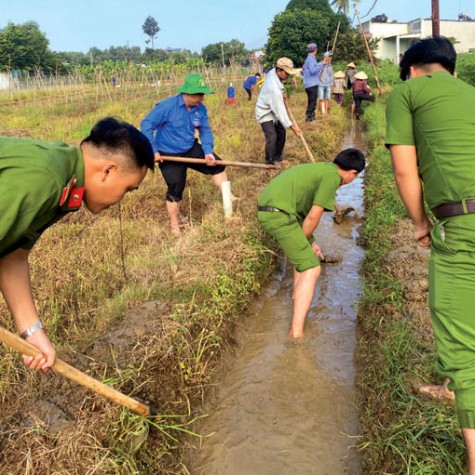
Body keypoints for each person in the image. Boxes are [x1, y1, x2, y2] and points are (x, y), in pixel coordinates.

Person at [0, 117, 155, 371]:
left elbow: (12, 257)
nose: (121, 199)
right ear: (108, 170)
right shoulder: (47, 177)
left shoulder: (65, 182)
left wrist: (33, 331)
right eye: (128, 189)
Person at [385, 36, 475, 473]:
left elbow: (404, 167)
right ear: (452, 70)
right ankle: (450, 386)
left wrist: (420, 223)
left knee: (460, 333)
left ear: (413, 70)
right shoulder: (471, 94)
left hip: (463, 224)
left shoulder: (406, 93)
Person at [257, 148, 365, 337]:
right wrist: (304, 241)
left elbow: (302, 213)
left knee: (306, 257)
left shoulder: (324, 169)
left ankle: (296, 298)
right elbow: (314, 216)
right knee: (312, 268)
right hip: (277, 214)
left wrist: (310, 241)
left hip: (275, 208)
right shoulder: (333, 178)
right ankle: (296, 333)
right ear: (353, 173)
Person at [141, 73, 231, 235]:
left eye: (203, 94)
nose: (202, 98)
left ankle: (228, 201)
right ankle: (175, 226)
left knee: (218, 165)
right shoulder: (166, 107)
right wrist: (153, 151)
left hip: (190, 149)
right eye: (199, 95)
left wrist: (208, 152)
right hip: (168, 154)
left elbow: (205, 130)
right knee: (176, 188)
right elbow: (146, 125)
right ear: (188, 93)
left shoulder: (200, 109)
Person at [255, 57, 302, 165]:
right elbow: (281, 112)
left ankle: (278, 157)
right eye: (287, 73)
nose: (288, 76)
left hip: (272, 107)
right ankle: (270, 162)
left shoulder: (273, 72)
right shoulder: (273, 89)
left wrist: (282, 93)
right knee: (272, 136)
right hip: (264, 112)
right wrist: (293, 127)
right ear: (279, 70)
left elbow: (279, 87)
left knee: (281, 132)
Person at [302, 42, 324, 122]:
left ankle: (312, 117)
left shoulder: (310, 59)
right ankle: (309, 117)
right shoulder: (311, 59)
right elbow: (313, 70)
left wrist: (322, 63)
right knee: (313, 102)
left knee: (311, 101)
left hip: (309, 84)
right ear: (315, 50)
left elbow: (314, 67)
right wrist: (322, 64)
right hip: (312, 84)